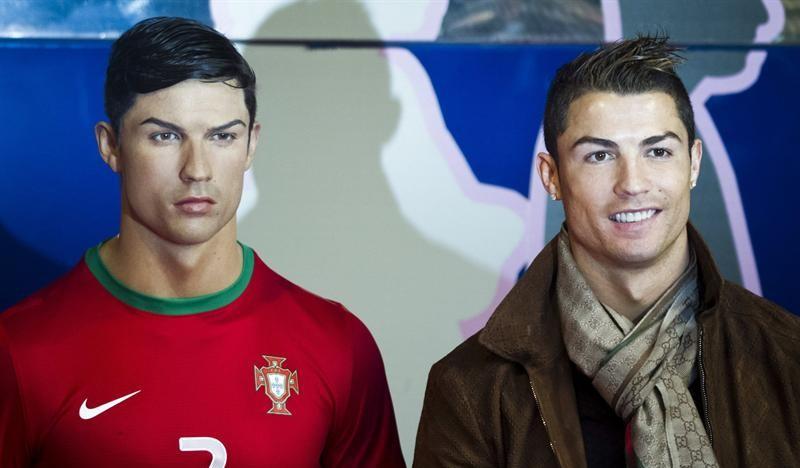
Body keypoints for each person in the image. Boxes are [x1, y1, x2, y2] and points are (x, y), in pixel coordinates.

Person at [0, 17, 404, 467]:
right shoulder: (19, 351)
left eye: (222, 136)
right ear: (111, 145)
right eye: (165, 136)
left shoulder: (338, 347)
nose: (197, 169)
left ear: (251, 144)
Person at [414, 36, 799, 467]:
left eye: (658, 151)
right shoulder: (471, 389)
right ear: (552, 177)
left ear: (692, 164)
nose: (632, 183)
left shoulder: (788, 356)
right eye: (599, 156)